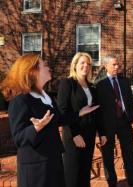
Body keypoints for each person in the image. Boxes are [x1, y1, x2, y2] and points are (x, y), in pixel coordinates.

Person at [0, 53, 96, 187]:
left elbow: (58, 119)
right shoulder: (20, 100)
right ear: (33, 72)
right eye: (44, 65)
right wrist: (36, 128)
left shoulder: (47, 97)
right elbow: (18, 138)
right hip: (36, 169)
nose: (48, 67)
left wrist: (79, 113)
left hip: (53, 162)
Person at [57, 52, 106, 187]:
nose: (86, 66)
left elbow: (97, 111)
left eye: (88, 63)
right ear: (75, 65)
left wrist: (102, 132)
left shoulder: (91, 87)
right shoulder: (67, 84)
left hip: (89, 136)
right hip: (73, 136)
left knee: (85, 175)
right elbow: (63, 111)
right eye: (82, 63)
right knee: (72, 175)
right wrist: (75, 134)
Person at [96, 55, 133, 187]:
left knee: (129, 154)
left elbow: (130, 101)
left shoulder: (124, 81)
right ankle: (112, 184)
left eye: (118, 64)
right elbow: (98, 110)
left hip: (124, 121)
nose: (117, 67)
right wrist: (101, 131)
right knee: (108, 157)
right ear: (106, 66)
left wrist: (130, 117)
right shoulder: (100, 84)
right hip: (107, 126)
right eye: (114, 65)